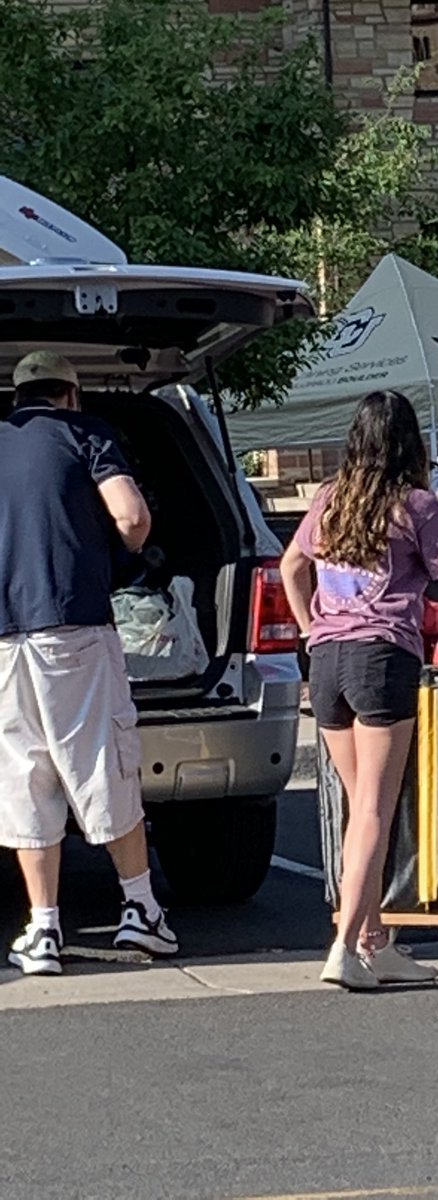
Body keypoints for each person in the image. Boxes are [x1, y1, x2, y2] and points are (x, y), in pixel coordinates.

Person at [280, 390, 438, 992]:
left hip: (327, 660)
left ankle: (375, 940)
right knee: (376, 807)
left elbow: (291, 566)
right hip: (382, 656)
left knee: (359, 809)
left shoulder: (328, 498)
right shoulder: (417, 505)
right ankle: (345, 946)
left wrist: (308, 627)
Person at [0, 351, 178, 976]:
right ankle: (141, 909)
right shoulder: (86, 435)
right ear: (71, 395)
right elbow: (130, 516)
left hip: (3, 641)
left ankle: (42, 929)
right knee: (102, 762)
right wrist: (122, 550)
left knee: (26, 777)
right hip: (72, 625)